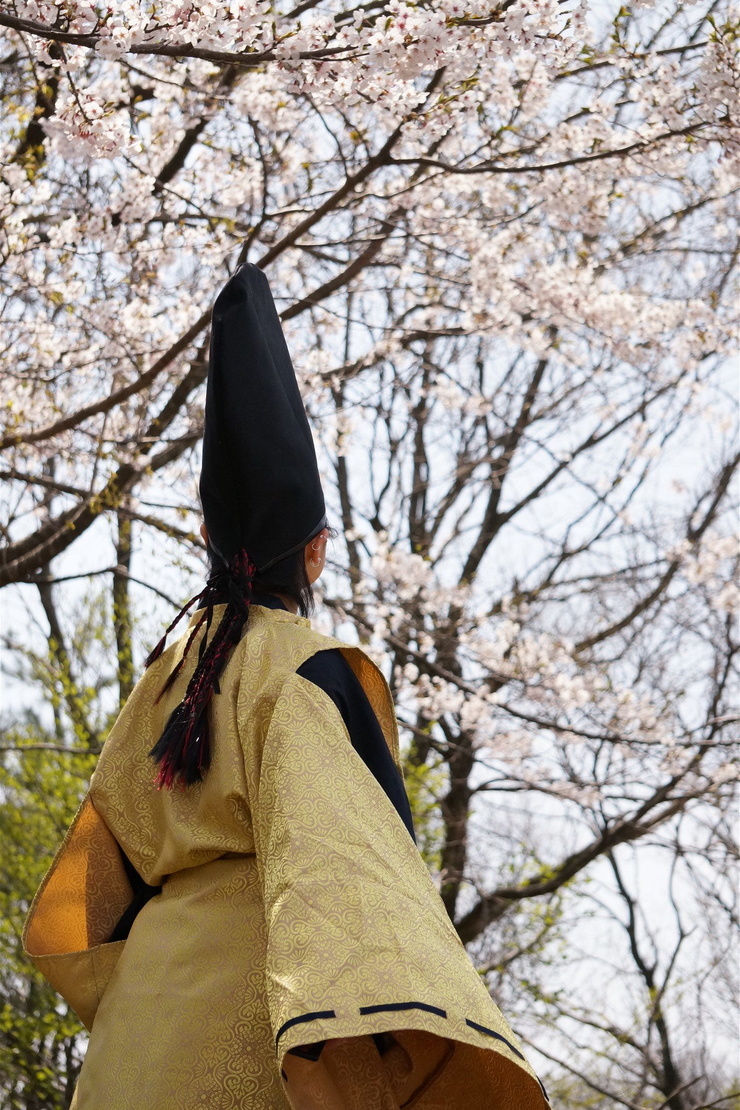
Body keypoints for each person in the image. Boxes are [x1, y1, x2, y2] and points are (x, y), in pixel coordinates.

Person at [24, 265, 550, 1109]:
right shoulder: (308, 669)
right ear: (318, 551)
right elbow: (348, 879)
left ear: (204, 534)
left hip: (134, 1034)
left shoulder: (164, 677)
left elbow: (97, 876)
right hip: (252, 1016)